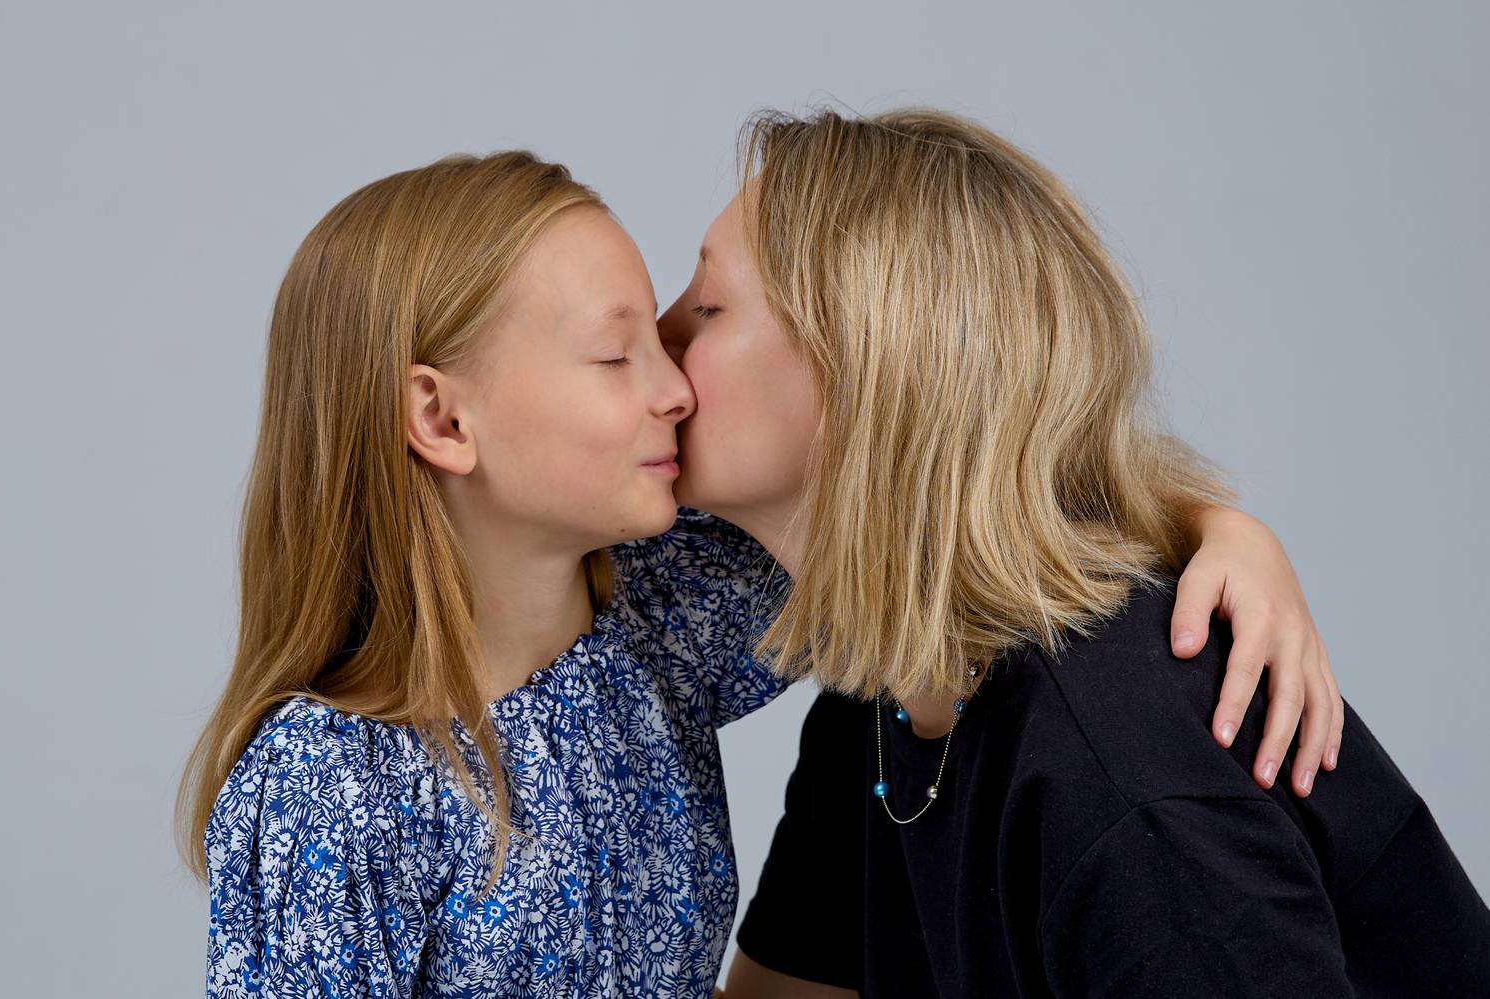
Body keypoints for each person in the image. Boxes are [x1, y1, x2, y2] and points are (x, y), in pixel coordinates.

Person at [179, 147, 1341, 998]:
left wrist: (1214, 525)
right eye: (614, 353)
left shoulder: (661, 630)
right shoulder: (325, 787)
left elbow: (932, 478)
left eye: (687, 318)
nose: (672, 383)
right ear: (440, 419)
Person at [649, 107, 1490, 997]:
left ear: (868, 366)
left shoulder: (1119, 779)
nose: (654, 345)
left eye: (707, 306)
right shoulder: (888, 706)